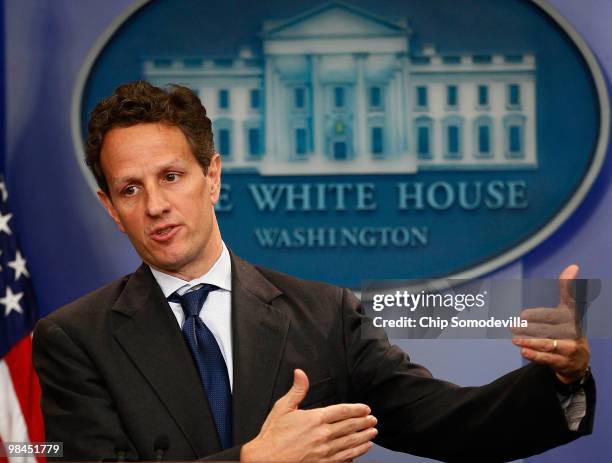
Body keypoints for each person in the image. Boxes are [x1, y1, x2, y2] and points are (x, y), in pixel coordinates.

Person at [32, 81, 594, 462]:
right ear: (111, 208)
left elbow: (452, 422)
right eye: (131, 188)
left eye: (172, 176)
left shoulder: (325, 315)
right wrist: (254, 460)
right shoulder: (75, 339)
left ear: (213, 177)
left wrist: (560, 381)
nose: (155, 204)